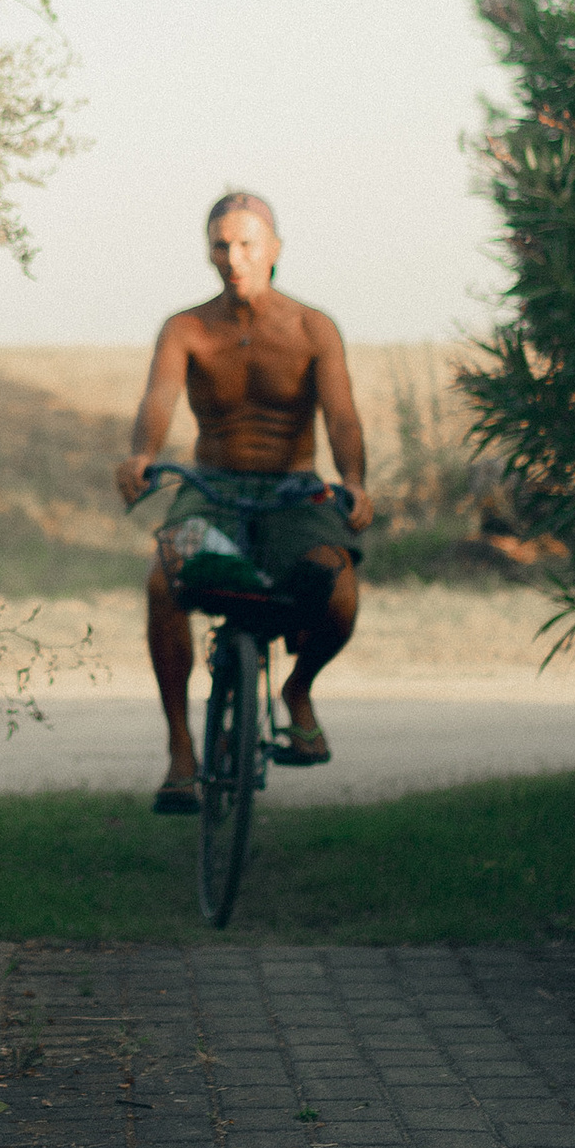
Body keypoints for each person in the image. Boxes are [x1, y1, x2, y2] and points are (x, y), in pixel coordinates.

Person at [115, 192, 373, 813]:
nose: (234, 256)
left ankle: (298, 690)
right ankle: (181, 749)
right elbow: (159, 399)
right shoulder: (187, 327)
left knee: (338, 589)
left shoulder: (314, 327)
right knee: (162, 581)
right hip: (212, 488)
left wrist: (356, 480)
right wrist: (141, 453)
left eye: (247, 243)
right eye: (221, 244)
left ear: (274, 249)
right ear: (208, 251)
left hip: (294, 488)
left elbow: (340, 413)